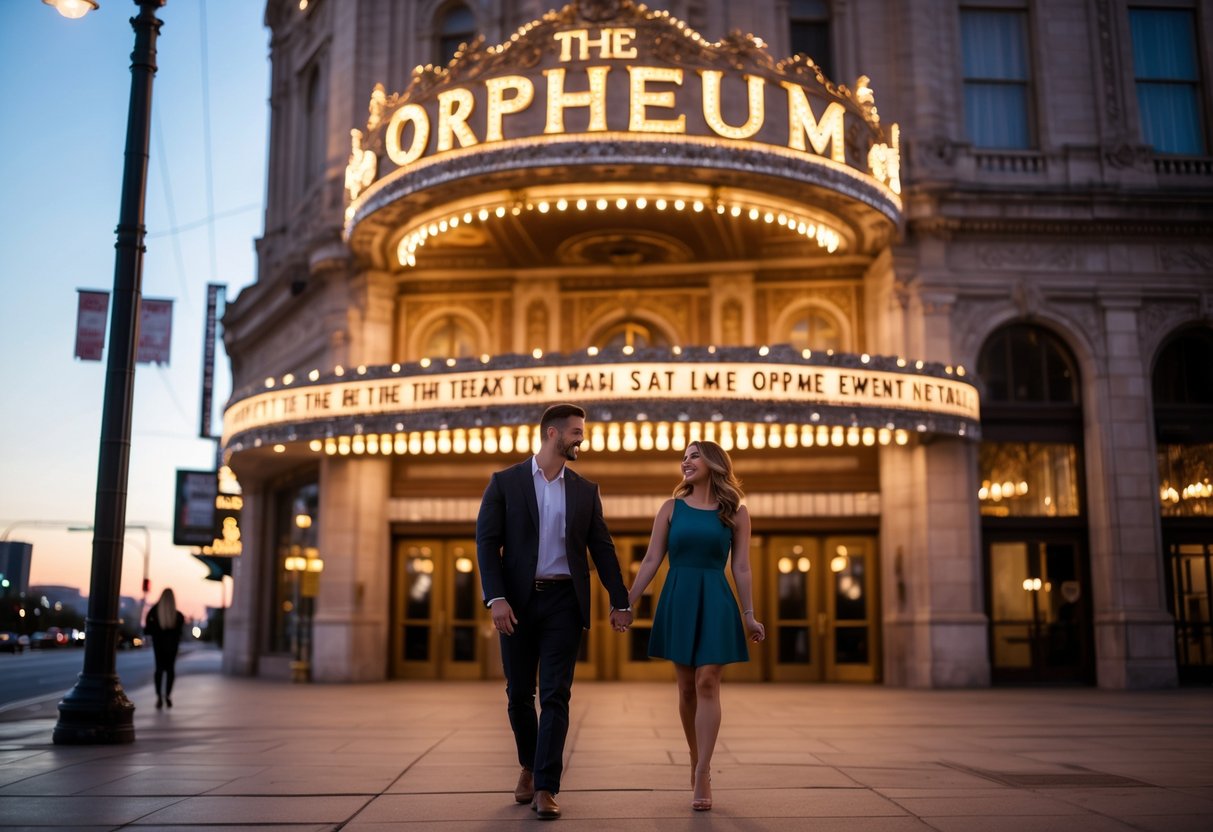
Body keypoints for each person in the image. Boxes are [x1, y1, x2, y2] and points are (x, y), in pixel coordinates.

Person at [476, 404, 634, 820]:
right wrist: (496, 598)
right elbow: (487, 544)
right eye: (576, 432)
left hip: (565, 601)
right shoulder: (505, 483)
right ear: (552, 434)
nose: (582, 438)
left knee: (556, 696)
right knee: (518, 696)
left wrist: (620, 600)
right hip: (517, 602)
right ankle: (529, 764)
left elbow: (602, 548)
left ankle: (546, 785)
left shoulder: (584, 490)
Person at [627, 440, 765, 812]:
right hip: (679, 596)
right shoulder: (670, 508)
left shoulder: (735, 512)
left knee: (708, 681)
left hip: (716, 598)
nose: (685, 463)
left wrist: (748, 614)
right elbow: (652, 558)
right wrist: (629, 600)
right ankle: (694, 754)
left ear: (714, 463)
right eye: (683, 457)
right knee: (686, 688)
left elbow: (741, 567)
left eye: (694, 456)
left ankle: (703, 770)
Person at [144, 587, 185, 709]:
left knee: (159, 669)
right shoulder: (178, 616)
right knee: (170, 670)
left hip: (159, 645)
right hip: (172, 646)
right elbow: (180, 632)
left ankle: (158, 697)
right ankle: (167, 695)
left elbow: (147, 629)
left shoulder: (154, 612)